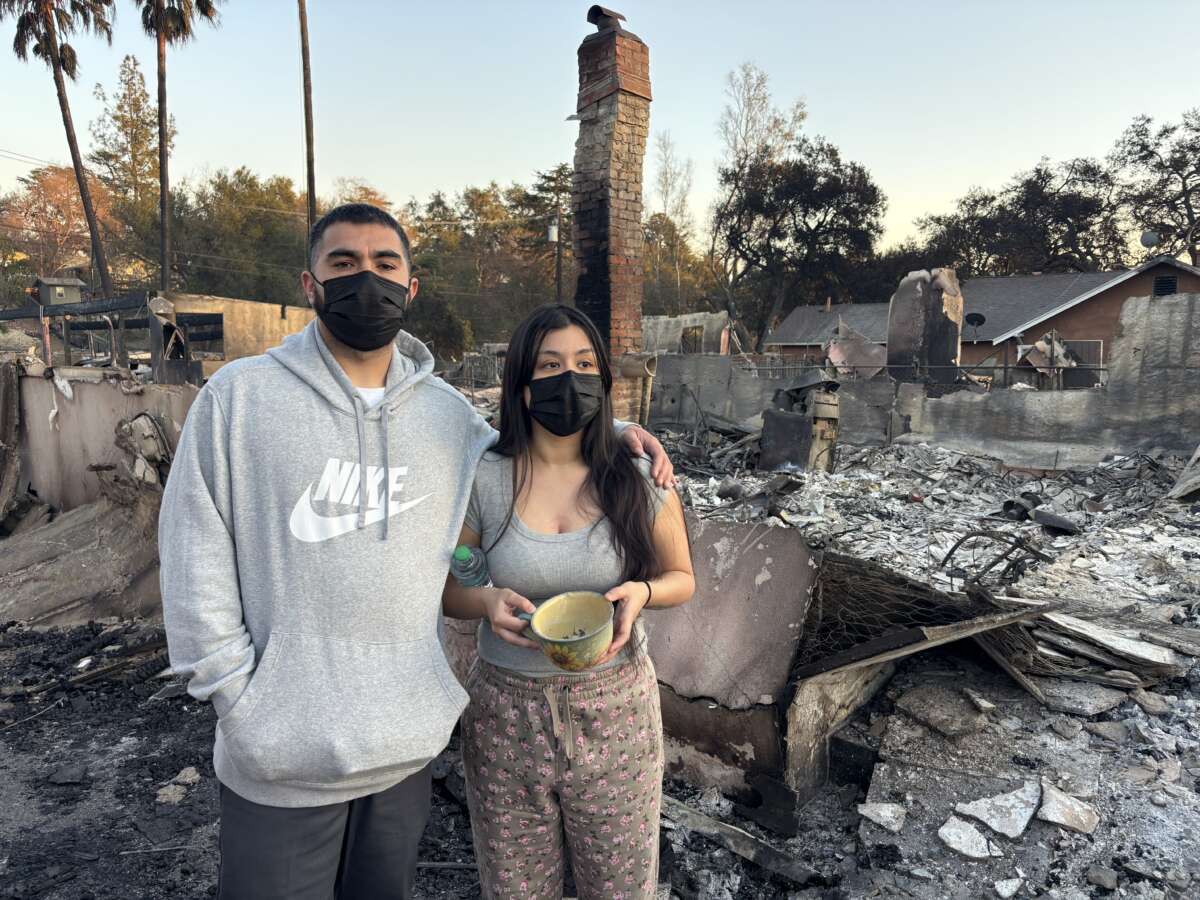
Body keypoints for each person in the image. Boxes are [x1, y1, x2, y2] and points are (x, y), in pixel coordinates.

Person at [157, 204, 674, 900]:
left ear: (411, 287)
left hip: (401, 753)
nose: (365, 280)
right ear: (308, 284)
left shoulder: (447, 418)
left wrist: (620, 428)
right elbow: (194, 559)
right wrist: (239, 703)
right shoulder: (238, 400)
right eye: (343, 264)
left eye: (384, 264)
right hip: (279, 757)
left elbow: (540, 431)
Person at [443, 304, 696, 900]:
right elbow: (450, 589)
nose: (570, 379)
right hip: (505, 713)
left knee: (620, 888)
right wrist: (483, 603)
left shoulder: (635, 473)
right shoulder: (485, 477)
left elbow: (682, 576)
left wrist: (644, 592)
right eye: (551, 365)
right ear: (524, 387)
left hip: (614, 708)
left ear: (605, 382)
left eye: (585, 364)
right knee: (515, 889)